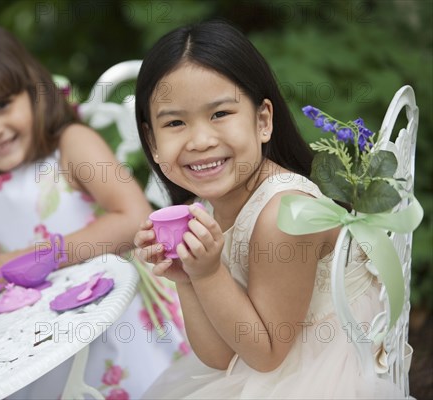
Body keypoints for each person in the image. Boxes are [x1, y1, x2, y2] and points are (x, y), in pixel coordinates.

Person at [133, 20, 404, 399]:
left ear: (263, 121)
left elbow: (266, 355)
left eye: (220, 114)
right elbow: (222, 354)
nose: (200, 140)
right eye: (175, 122)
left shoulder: (286, 215)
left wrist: (209, 274)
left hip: (325, 363)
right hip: (269, 355)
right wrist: (188, 278)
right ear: (153, 141)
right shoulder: (206, 208)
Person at [0, 22, 185, 399]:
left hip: (113, 316)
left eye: (2, 105)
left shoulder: (70, 145)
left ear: (32, 93)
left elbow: (132, 219)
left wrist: (23, 260)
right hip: (40, 341)